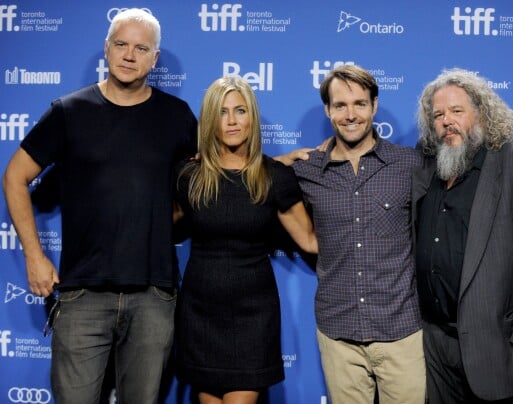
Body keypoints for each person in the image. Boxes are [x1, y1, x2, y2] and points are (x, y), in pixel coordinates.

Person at [2, 8, 197, 404]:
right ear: (106, 50)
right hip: (82, 295)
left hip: (153, 295)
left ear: (154, 59)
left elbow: (208, 182)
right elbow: (14, 177)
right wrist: (34, 257)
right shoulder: (68, 112)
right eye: (121, 45)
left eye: (141, 48)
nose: (129, 55)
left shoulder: (177, 117)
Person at [413, 68, 513, 404]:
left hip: (498, 346)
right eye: (438, 115)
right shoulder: (430, 166)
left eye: (457, 111)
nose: (446, 121)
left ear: (481, 113)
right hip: (436, 347)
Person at [285, 64, 426, 403]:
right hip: (338, 334)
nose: (351, 115)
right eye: (340, 105)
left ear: (374, 106)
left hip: (401, 332)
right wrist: (282, 158)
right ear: (328, 110)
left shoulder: (409, 165)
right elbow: (251, 180)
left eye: (360, 104)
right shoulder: (306, 171)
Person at [175, 76, 318, 404]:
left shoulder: (274, 177)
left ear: (252, 116)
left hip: (253, 313)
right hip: (200, 311)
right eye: (222, 112)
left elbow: (310, 241)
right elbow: (158, 225)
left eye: (240, 111)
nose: (232, 121)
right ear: (210, 120)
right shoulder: (189, 177)